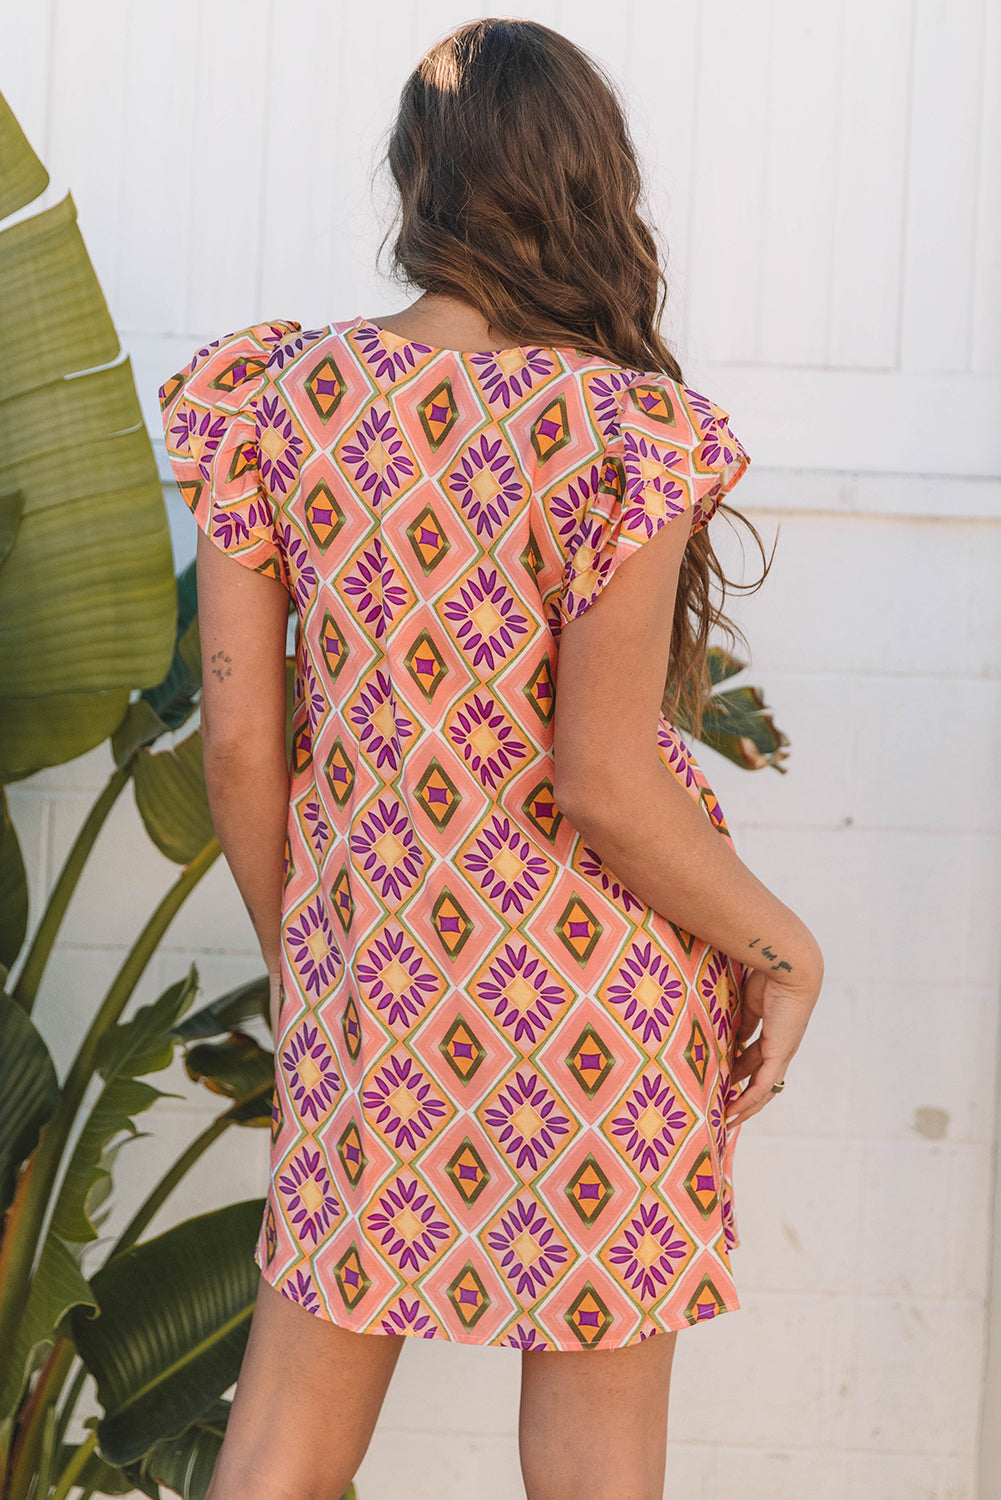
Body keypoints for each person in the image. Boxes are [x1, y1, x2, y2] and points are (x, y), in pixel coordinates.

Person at [158, 17, 823, 1500]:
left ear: (416, 176)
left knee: (279, 1452)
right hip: (594, 1001)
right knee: (594, 1471)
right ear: (591, 182)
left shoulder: (276, 401)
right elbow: (603, 780)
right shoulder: (619, 430)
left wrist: (316, 961)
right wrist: (789, 952)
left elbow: (243, 738)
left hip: (378, 978)